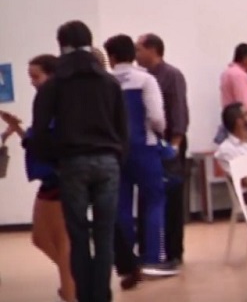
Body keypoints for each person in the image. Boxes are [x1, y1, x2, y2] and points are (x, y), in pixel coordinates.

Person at [27, 20, 128, 302]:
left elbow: (40, 130)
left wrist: (54, 160)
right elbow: (123, 129)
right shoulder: (109, 82)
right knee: (105, 233)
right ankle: (102, 295)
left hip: (72, 164)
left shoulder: (55, 85)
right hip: (108, 162)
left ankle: (84, 296)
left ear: (61, 45)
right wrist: (117, 157)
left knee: (78, 235)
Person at [0, 55, 75, 302]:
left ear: (51, 75)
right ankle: (78, 277)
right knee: (41, 238)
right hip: (51, 179)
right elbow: (37, 143)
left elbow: (48, 143)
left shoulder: (59, 104)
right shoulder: (46, 103)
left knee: (61, 240)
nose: (33, 82)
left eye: (36, 76)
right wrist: (17, 129)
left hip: (60, 177)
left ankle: (71, 289)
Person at [104, 34, 177, 280]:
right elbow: (157, 117)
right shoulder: (146, 79)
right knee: (155, 202)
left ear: (111, 57)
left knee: (122, 205)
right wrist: (160, 134)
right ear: (132, 55)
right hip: (145, 148)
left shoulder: (106, 82)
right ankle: (153, 259)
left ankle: (127, 262)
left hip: (116, 151)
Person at [135, 33, 190, 269]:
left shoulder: (171, 75)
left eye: (139, 49)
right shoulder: (143, 78)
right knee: (149, 200)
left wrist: (174, 146)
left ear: (153, 49)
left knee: (172, 201)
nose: (136, 54)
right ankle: (151, 252)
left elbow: (179, 111)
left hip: (169, 145)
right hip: (148, 146)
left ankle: (174, 254)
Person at [220, 43, 247, 127]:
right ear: (245, 59)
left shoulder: (227, 73)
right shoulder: (239, 75)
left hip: (235, 120)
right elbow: (242, 101)